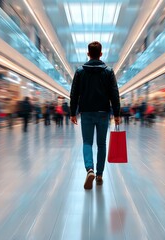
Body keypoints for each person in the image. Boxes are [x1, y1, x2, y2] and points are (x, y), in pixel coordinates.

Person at [70, 41, 120, 190]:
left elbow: (74, 94)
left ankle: (89, 169)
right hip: (103, 113)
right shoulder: (109, 71)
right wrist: (116, 113)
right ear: (101, 54)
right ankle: (99, 175)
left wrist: (73, 112)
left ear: (88, 54)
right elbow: (114, 93)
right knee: (101, 144)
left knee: (87, 142)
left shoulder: (80, 72)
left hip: (86, 113)